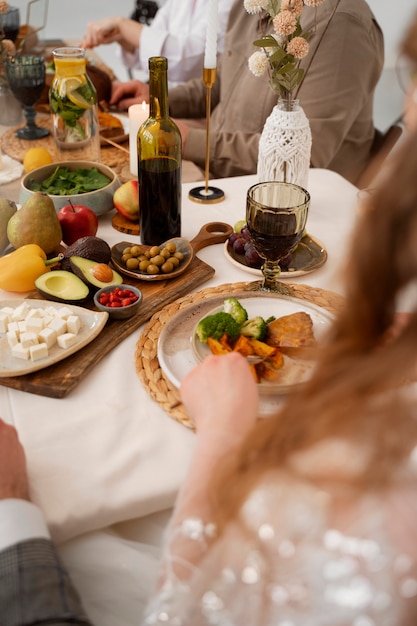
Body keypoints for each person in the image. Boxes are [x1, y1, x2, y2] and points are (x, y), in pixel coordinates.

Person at [109, 0, 384, 183]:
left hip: (279, 211)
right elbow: (224, 86)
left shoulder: (339, 24)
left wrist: (189, 140)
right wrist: (158, 98)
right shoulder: (254, 5)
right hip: (217, 176)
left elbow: (300, 158)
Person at [81, 0, 234, 86]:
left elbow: (187, 59)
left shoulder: (231, 3)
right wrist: (121, 37)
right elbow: (150, 44)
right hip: (170, 100)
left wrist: (122, 25)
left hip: (203, 111)